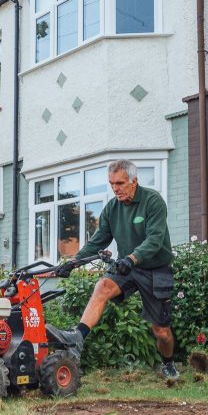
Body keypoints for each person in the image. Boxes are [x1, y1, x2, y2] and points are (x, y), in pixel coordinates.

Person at [53, 159, 179, 380]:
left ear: (134, 181)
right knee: (102, 285)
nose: (115, 188)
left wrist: (132, 257)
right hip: (127, 267)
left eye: (120, 183)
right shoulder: (112, 208)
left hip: (155, 269)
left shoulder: (153, 201)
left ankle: (168, 363)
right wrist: (74, 262)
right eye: (112, 183)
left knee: (161, 332)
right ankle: (77, 338)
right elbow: (98, 240)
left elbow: (155, 239)